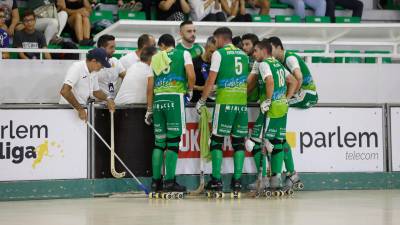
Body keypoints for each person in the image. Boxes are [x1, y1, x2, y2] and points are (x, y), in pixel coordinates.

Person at [196, 27, 249, 195]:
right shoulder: (243, 54)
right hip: (241, 104)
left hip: (225, 103)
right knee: (239, 142)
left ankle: (216, 181)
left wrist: (202, 100)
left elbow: (211, 79)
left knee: (217, 141)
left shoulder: (219, 54)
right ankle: (237, 182)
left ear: (219, 38)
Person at [146, 34, 195, 194]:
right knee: (173, 142)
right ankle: (169, 182)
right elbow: (191, 75)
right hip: (174, 98)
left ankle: (155, 183)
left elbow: (150, 85)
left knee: (158, 143)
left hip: (158, 100)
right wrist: (189, 91)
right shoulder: (183, 53)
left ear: (161, 45)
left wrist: (149, 109)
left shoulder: (156, 57)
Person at [246, 39, 297, 191]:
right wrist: (286, 98)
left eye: (255, 51)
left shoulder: (264, 64)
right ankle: (276, 179)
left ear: (264, 51)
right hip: (282, 108)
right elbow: (292, 81)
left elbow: (269, 81)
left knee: (254, 143)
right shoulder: (277, 64)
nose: (253, 54)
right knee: (276, 142)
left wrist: (268, 100)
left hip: (271, 108)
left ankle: (262, 180)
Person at [269, 36, 318, 189]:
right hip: (301, 93)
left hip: (308, 94)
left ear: (279, 47)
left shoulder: (289, 58)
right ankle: (291, 173)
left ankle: (287, 173)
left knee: (279, 104)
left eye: (271, 49)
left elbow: (299, 78)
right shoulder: (281, 61)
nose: (269, 52)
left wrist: (289, 97)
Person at [59, 48, 115, 121]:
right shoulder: (77, 67)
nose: (103, 67)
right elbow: (65, 91)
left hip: (81, 109)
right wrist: (80, 109)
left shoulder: (94, 71)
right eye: (102, 64)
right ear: (93, 61)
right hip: (68, 110)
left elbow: (96, 91)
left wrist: (108, 98)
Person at [95, 34, 126, 98]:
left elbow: (126, 77)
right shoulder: (92, 64)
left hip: (113, 103)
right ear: (102, 48)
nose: (114, 50)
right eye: (111, 47)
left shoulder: (115, 61)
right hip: (96, 104)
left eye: (114, 47)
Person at [191, 36, 217, 102]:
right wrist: (201, 88)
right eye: (211, 51)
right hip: (195, 102)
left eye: (216, 53)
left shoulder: (219, 63)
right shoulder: (194, 62)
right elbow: (185, 84)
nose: (213, 55)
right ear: (205, 47)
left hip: (213, 103)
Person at [241, 33, 259, 102]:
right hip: (244, 99)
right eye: (243, 45)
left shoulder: (261, 61)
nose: (244, 47)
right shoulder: (242, 59)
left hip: (255, 101)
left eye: (247, 44)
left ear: (255, 46)